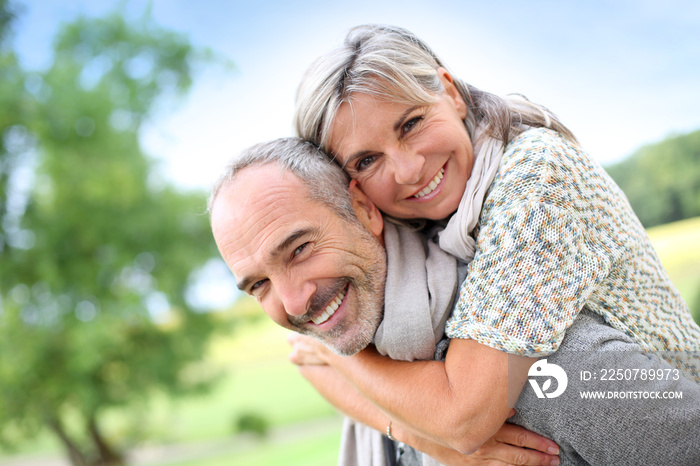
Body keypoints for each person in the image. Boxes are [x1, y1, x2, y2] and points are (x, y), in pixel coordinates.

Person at [209, 138, 700, 465]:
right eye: (259, 285)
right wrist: (427, 438)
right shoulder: (369, 340)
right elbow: (309, 358)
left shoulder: (541, 357)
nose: (293, 303)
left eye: (299, 249)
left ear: (362, 209)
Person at [293, 24, 700, 381]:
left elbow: (464, 414)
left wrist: (339, 353)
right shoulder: (414, 232)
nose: (409, 170)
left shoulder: (537, 176)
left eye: (412, 124)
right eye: (367, 161)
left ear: (450, 93)